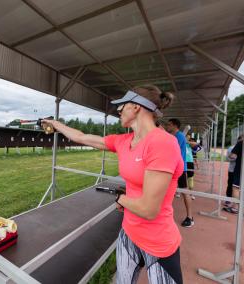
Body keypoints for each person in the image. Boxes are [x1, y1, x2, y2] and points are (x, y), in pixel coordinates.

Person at [43, 85, 183, 284]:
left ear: (135, 107)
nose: (118, 110)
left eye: (122, 106)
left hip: (158, 242)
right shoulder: (124, 140)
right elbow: (82, 137)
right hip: (129, 233)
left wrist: (122, 198)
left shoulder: (162, 143)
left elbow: (149, 210)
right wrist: (56, 124)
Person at [166, 118, 194, 228]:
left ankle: (190, 217)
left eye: (169, 125)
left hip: (180, 169)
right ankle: (164, 216)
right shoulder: (175, 136)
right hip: (172, 168)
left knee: (184, 192)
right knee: (168, 192)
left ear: (174, 125)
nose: (167, 127)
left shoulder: (179, 136)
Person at [222, 135, 244, 213]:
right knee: (231, 185)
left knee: (242, 187)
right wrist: (237, 158)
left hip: (243, 171)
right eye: (242, 140)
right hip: (233, 170)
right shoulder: (232, 148)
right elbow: (228, 158)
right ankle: (229, 200)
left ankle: (242, 202)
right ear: (238, 140)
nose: (243, 142)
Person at [186, 134, 195, 200]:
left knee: (190, 177)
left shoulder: (189, 144)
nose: (187, 138)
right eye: (186, 137)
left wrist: (188, 142)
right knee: (180, 177)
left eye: (188, 138)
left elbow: (196, 144)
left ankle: (191, 193)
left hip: (190, 162)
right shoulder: (181, 142)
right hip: (183, 161)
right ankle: (178, 192)